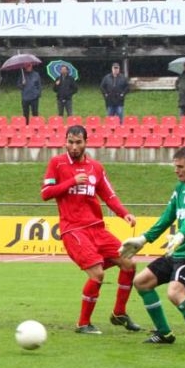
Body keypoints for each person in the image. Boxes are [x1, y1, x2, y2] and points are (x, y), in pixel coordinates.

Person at [41, 124, 141, 334]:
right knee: (97, 274)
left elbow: (108, 195)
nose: (74, 146)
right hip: (73, 230)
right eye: (70, 142)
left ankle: (119, 313)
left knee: (129, 263)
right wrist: (71, 181)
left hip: (97, 229)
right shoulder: (56, 163)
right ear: (65, 142)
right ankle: (83, 324)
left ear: (86, 142)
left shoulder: (96, 167)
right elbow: (46, 192)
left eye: (78, 142)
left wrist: (124, 213)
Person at [121, 146, 185, 345]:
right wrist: (143, 239)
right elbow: (167, 216)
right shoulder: (180, 187)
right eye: (175, 166)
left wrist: (182, 234)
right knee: (142, 282)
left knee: (175, 293)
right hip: (179, 252)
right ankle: (164, 333)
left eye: (181, 166)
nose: (176, 170)